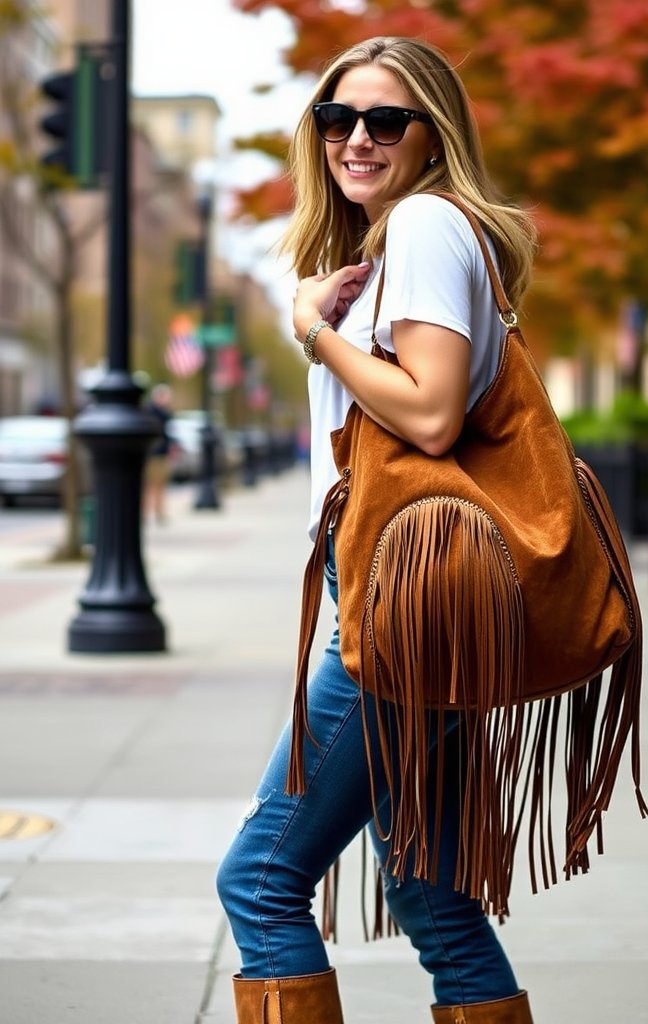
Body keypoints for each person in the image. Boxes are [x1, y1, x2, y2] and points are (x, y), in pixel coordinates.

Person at [217, 36, 537, 1024]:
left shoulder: (429, 227)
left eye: (385, 120)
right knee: (431, 893)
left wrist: (312, 332)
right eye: (336, 118)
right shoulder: (393, 240)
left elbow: (432, 411)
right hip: (424, 594)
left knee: (261, 879)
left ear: (432, 136)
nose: (356, 138)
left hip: (398, 600)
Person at [143, 383, 175, 524]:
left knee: (160, 484)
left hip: (162, 453)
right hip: (153, 454)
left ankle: (159, 512)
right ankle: (147, 513)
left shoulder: (164, 414)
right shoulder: (152, 413)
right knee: (151, 485)